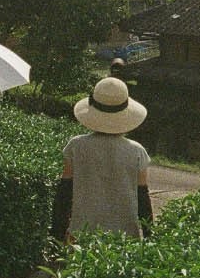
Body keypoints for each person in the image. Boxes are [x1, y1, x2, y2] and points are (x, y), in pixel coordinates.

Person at [50, 77, 153, 242]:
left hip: (81, 236)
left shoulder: (76, 146)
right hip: (124, 239)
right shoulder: (137, 152)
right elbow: (143, 199)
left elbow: (64, 193)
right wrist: (149, 237)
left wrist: (56, 234)